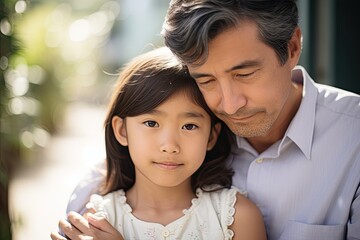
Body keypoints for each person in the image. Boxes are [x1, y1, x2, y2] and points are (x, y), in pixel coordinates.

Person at [53, 0, 360, 239]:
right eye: (206, 79)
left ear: (292, 48)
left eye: (244, 74)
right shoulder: (106, 196)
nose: (228, 104)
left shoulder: (353, 136)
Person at [50, 47, 266, 240]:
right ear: (122, 130)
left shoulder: (236, 217)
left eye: (189, 126)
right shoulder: (98, 222)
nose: (170, 145)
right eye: (151, 123)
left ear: (211, 136)